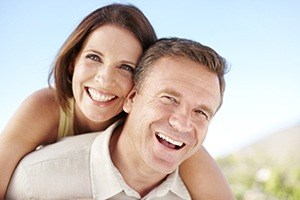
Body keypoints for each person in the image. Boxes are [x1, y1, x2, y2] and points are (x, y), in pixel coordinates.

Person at [0, 3, 233, 200]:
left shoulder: (167, 131)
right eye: (94, 57)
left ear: (138, 86)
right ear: (73, 62)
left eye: (125, 67)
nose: (105, 79)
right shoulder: (45, 107)